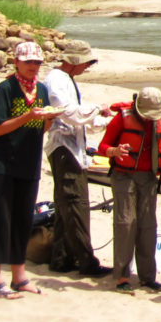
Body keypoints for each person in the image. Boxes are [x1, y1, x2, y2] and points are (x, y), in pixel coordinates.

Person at [0, 41, 53, 299]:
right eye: (29, 62)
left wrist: (48, 120)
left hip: (28, 163)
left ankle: (19, 276)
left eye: (37, 62)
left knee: (23, 221)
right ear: (17, 63)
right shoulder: (5, 89)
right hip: (0, 165)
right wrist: (28, 116)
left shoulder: (42, 90)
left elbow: (40, 129)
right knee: (0, 221)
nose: (33, 67)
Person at [96, 86, 161, 293]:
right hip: (123, 175)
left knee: (148, 225)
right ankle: (122, 276)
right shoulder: (122, 118)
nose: (149, 119)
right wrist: (114, 151)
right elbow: (102, 146)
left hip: (148, 177)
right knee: (126, 222)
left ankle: (148, 277)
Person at [42, 42, 108, 277]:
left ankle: (61, 258)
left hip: (71, 148)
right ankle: (86, 261)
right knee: (75, 204)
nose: (86, 68)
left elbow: (79, 117)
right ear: (75, 61)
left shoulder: (66, 79)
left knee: (64, 206)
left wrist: (103, 119)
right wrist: (97, 110)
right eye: (85, 63)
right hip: (63, 149)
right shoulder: (57, 79)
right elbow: (70, 114)